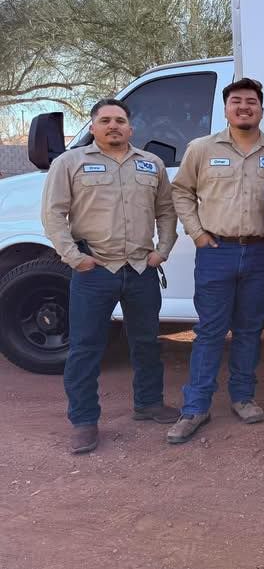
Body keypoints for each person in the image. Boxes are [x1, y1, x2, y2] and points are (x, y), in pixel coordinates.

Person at [41, 98, 179, 454]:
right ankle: (84, 421)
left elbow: (166, 211)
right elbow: (54, 214)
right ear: (93, 127)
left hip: (139, 270)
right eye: (105, 120)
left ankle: (148, 403)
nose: (113, 126)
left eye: (120, 120)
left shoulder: (152, 164)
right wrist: (73, 257)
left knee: (147, 342)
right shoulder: (69, 163)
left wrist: (162, 249)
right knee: (86, 349)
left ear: (131, 128)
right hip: (94, 270)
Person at [166, 77, 264, 444]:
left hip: (262, 252)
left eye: (251, 101)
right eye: (236, 101)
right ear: (227, 109)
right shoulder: (200, 149)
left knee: (249, 330)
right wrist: (197, 233)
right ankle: (195, 407)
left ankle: (243, 398)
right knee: (210, 332)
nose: (244, 106)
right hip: (217, 252)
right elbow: (181, 191)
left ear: (261, 109)